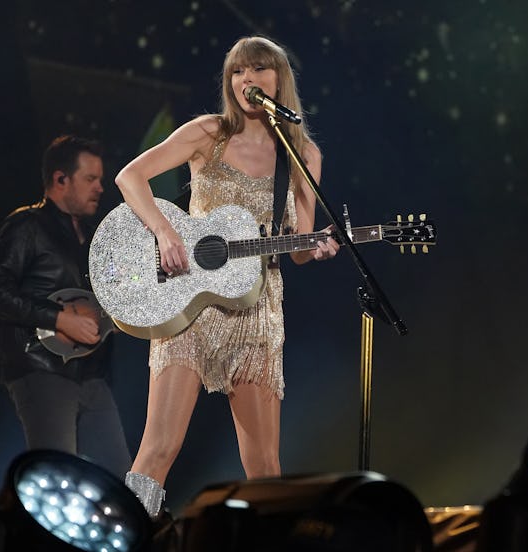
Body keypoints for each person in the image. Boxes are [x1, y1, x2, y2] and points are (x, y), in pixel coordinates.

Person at [115, 35, 339, 518]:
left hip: (257, 310)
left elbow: (299, 247)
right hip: (189, 302)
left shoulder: (302, 155)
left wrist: (316, 246)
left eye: (257, 69)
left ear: (279, 80)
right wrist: (164, 232)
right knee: (159, 448)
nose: (246, 79)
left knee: (264, 464)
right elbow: (130, 176)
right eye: (237, 71)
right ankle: (127, 534)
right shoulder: (208, 133)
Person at [0, 135, 132, 477]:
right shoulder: (27, 225)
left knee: (119, 478)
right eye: (90, 179)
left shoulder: (95, 235)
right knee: (58, 476)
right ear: (61, 179)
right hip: (41, 367)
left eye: (100, 179)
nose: (100, 188)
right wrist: (58, 318)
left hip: (93, 374)